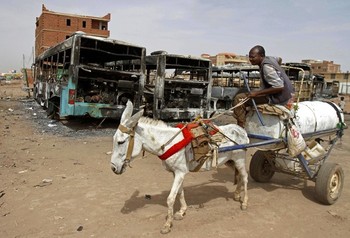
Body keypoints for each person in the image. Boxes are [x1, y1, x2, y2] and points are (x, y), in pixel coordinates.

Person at [233, 45, 294, 128]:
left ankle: (241, 127)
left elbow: (279, 87)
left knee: (239, 98)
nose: (250, 59)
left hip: (278, 97)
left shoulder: (266, 67)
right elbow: (279, 59)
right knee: (250, 92)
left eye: (253, 57)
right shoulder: (271, 59)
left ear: (261, 56)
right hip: (288, 93)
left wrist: (256, 93)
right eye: (249, 57)